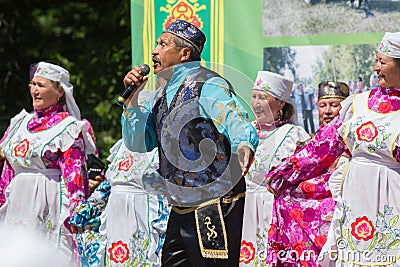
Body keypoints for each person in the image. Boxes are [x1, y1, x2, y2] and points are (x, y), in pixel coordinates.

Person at [121, 19, 258, 267]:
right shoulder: (162, 94)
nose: (154, 51)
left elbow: (232, 115)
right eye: (156, 44)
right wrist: (133, 100)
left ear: (184, 54)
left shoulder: (207, 83)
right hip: (180, 204)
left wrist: (243, 143)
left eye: (163, 44)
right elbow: (139, 142)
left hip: (213, 201)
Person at [267, 32, 400, 266]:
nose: (375, 67)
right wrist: (284, 174)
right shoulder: (358, 104)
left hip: (392, 197)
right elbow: (322, 147)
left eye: (382, 62)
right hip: (355, 198)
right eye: (376, 60)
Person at [0, 61, 96, 266]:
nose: (35, 90)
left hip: (48, 202)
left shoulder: (68, 127)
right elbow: (7, 169)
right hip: (17, 202)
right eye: (32, 84)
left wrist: (76, 217)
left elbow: (75, 177)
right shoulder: (19, 123)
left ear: (59, 92)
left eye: (41, 85)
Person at [70, 90, 170, 267]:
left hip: (145, 212)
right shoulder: (123, 146)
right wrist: (86, 208)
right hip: (116, 214)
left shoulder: (163, 147)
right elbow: (110, 183)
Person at [264, 81, 349, 267]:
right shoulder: (306, 144)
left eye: (334, 105)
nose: (327, 111)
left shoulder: (350, 146)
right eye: (323, 105)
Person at [239, 71, 310, 266]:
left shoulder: (294, 136)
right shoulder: (245, 131)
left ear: (280, 103)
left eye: (263, 97)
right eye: (254, 96)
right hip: (243, 208)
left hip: (272, 211)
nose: (256, 103)